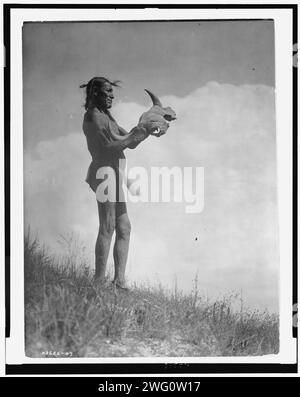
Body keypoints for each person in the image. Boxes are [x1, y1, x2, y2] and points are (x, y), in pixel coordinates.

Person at [80, 77, 167, 289]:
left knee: (124, 227)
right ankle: (98, 282)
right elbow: (111, 147)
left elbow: (128, 140)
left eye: (112, 92)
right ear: (95, 93)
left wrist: (147, 128)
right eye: (107, 91)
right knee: (108, 225)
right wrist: (140, 131)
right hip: (104, 171)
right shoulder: (94, 116)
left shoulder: (105, 117)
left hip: (113, 172)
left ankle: (119, 281)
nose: (111, 95)